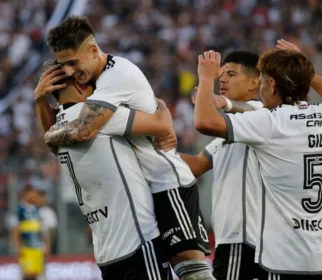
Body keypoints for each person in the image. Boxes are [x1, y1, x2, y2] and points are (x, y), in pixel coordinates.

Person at [38, 15, 213, 280]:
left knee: (192, 272)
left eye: (73, 63)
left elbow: (84, 129)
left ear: (94, 49)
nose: (71, 72)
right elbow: (70, 138)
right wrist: (41, 103)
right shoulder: (94, 88)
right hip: (144, 188)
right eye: (64, 66)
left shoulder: (116, 75)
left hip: (166, 181)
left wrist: (50, 135)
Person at [193, 40, 322, 279]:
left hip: (282, 257)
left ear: (271, 85)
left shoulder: (271, 123)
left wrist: (207, 78)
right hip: (321, 256)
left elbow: (204, 122)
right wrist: (306, 72)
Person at [38, 75, 174, 279]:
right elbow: (161, 124)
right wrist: (160, 104)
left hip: (106, 254)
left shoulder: (57, 128)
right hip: (137, 242)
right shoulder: (97, 116)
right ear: (79, 84)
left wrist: (40, 100)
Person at [174, 50, 263, 280]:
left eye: (231, 74)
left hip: (244, 239)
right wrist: (152, 148)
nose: (222, 79)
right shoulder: (233, 130)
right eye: (221, 74)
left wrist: (206, 79)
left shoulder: (264, 116)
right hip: (236, 240)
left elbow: (203, 121)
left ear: (255, 81)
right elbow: (195, 165)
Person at [11, 179, 46, 280]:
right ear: (26, 194)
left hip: (38, 247)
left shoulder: (36, 209)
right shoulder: (19, 209)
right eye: (33, 193)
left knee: (38, 273)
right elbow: (15, 230)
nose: (35, 196)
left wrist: (44, 245)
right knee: (29, 274)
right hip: (27, 247)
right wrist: (19, 247)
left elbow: (39, 229)